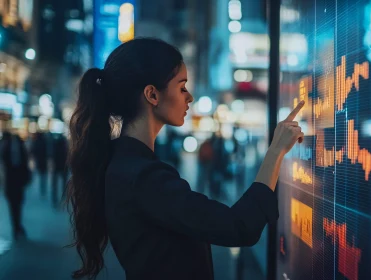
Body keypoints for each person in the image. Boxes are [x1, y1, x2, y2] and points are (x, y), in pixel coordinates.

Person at [65, 38, 304, 280]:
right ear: (152, 95)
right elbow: (238, 227)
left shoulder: (124, 166)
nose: (189, 97)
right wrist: (276, 151)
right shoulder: (145, 178)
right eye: (181, 87)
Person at [1, 131, 31, 241]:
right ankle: (17, 226)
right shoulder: (14, 147)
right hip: (14, 180)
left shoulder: (6, 147)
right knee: (15, 203)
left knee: (15, 203)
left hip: (13, 180)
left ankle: (17, 226)